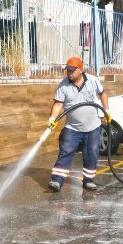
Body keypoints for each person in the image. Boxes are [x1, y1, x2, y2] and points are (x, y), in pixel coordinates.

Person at [47, 57, 110, 193]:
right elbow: (58, 104)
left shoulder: (93, 81)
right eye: (67, 70)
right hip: (72, 128)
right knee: (66, 152)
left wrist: (107, 111)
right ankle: (57, 180)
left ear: (80, 70)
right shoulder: (63, 85)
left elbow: (103, 94)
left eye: (71, 70)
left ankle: (88, 181)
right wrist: (52, 118)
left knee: (91, 153)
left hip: (93, 127)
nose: (69, 73)